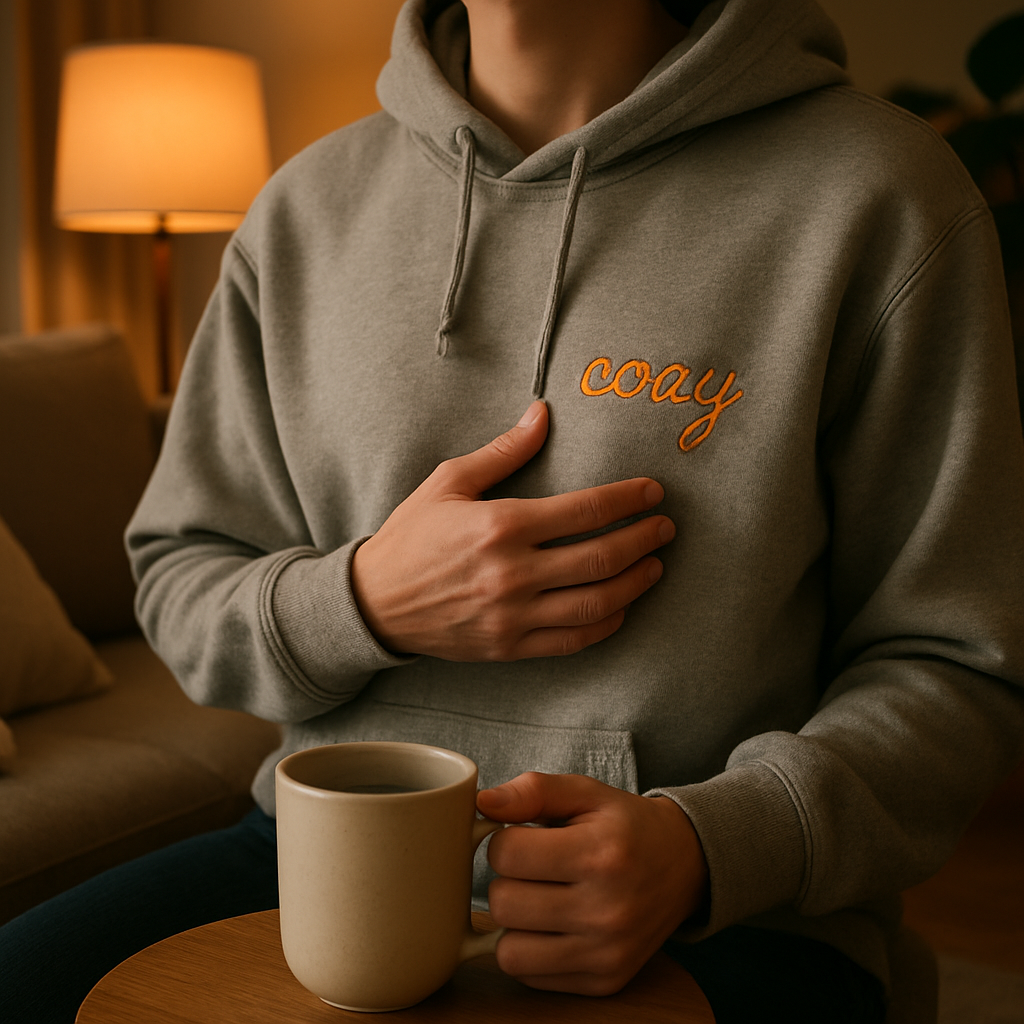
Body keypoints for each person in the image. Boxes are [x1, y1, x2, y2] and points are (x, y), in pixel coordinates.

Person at [3, 1, 1024, 1021]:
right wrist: (362, 600)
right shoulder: (300, 212)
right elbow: (180, 574)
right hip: (319, 856)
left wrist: (707, 845)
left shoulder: (880, 194)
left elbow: (957, 662)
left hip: (731, 906)